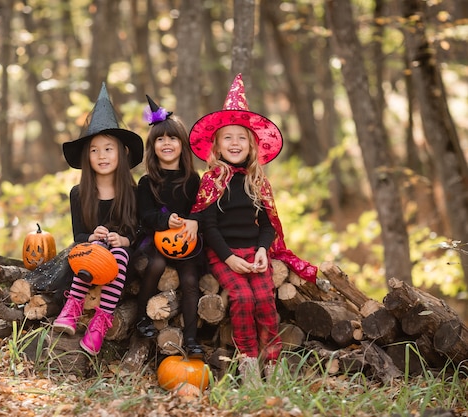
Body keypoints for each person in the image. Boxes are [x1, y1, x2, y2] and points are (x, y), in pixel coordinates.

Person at [189, 74, 318, 382]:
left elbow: (267, 224)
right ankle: (248, 362)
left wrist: (262, 250)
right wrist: (228, 257)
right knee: (242, 298)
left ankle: (272, 362)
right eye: (228, 138)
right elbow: (207, 224)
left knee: (265, 301)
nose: (235, 143)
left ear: (251, 145)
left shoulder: (257, 181)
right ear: (217, 146)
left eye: (241, 138)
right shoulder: (212, 181)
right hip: (224, 254)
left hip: (253, 252)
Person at [51, 82, 144, 356]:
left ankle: (101, 320)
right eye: (94, 150)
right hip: (88, 259)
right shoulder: (79, 194)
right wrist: (91, 237)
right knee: (95, 250)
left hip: (123, 263)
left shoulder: (134, 192)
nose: (101, 155)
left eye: (108, 149)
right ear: (86, 156)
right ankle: (73, 306)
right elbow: (78, 235)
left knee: (119, 253)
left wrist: (124, 238)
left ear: (122, 153)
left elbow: (139, 228)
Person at [135, 95, 204, 357]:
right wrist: (165, 220)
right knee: (155, 265)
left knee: (189, 279)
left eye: (172, 138)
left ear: (182, 144)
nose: (166, 143)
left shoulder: (191, 179)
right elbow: (146, 215)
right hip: (156, 240)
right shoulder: (147, 182)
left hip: (188, 242)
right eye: (160, 139)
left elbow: (200, 209)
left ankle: (191, 337)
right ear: (152, 147)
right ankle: (142, 318)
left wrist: (192, 221)